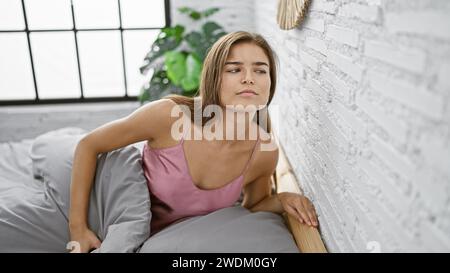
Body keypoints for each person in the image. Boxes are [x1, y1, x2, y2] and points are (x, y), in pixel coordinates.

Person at [69, 31, 319, 253]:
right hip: (110, 209)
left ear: (270, 83)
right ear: (213, 78)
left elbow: (253, 206)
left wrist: (283, 199)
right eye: (234, 69)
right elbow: (88, 145)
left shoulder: (264, 152)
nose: (249, 78)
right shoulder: (169, 116)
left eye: (260, 70)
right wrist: (78, 229)